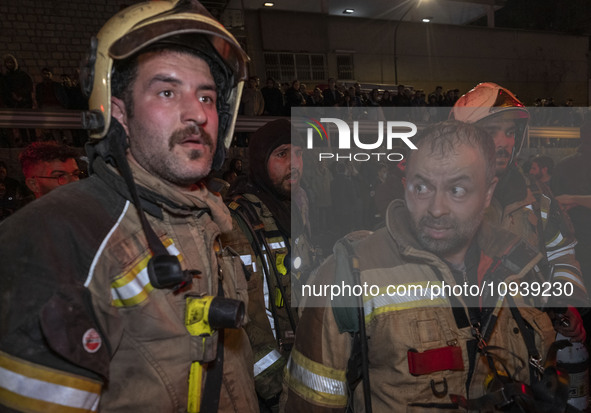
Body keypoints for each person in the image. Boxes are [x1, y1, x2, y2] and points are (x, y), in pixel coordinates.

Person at [0, 1, 257, 412]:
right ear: (117, 112)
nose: (197, 114)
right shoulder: (59, 235)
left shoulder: (208, 220)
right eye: (167, 91)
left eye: (207, 97)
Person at [284, 120, 558, 412]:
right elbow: (311, 403)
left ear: (489, 192)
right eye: (422, 187)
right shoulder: (348, 276)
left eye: (458, 190)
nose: (436, 209)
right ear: (405, 185)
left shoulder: (521, 263)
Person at [451, 82, 588, 334]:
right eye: (491, 132)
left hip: (531, 337)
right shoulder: (443, 201)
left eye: (510, 132)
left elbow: (563, 255)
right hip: (469, 339)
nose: (503, 143)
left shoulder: (538, 197)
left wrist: (564, 302)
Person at [221, 119, 316, 411]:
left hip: (299, 358)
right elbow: (246, 312)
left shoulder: (294, 205)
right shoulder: (238, 218)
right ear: (261, 162)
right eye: (282, 154)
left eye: (299, 153)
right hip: (268, 381)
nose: (294, 163)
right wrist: (275, 388)